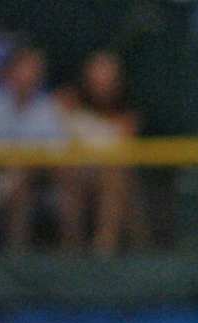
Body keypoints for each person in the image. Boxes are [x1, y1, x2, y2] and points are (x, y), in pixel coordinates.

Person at [0, 44, 77, 253]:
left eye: (34, 70)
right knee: (11, 182)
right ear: (10, 72)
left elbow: (58, 150)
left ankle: (24, 255)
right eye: (24, 68)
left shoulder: (47, 107)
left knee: (25, 179)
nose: (28, 75)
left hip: (38, 177)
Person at [57, 50, 147, 256]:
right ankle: (71, 250)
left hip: (111, 169)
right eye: (97, 71)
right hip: (78, 167)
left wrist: (88, 126)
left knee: (116, 175)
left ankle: (103, 250)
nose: (102, 78)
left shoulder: (128, 101)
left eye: (108, 72)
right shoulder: (73, 97)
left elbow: (125, 135)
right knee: (68, 172)